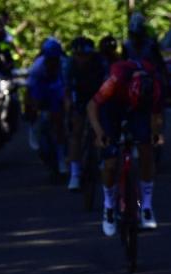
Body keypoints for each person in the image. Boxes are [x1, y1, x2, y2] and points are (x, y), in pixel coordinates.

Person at [87, 59, 164, 235]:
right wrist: (100, 134)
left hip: (141, 110)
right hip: (112, 106)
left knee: (146, 150)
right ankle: (108, 207)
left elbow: (157, 118)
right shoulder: (114, 81)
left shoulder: (155, 87)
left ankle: (146, 206)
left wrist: (155, 135)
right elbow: (91, 106)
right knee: (110, 162)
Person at [65, 36, 106, 191]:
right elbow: (67, 90)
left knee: (102, 128)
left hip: (98, 94)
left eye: (85, 56)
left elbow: (109, 84)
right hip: (80, 96)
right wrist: (68, 109)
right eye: (78, 56)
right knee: (76, 132)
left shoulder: (100, 63)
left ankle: (103, 161)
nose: (82, 59)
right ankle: (75, 174)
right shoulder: (69, 64)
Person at [26, 38, 68, 174]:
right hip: (41, 89)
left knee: (59, 120)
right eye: (50, 58)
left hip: (58, 89)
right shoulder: (37, 67)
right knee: (34, 109)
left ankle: (62, 157)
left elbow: (68, 87)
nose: (52, 62)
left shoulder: (65, 65)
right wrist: (30, 109)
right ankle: (34, 130)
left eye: (55, 58)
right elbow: (30, 89)